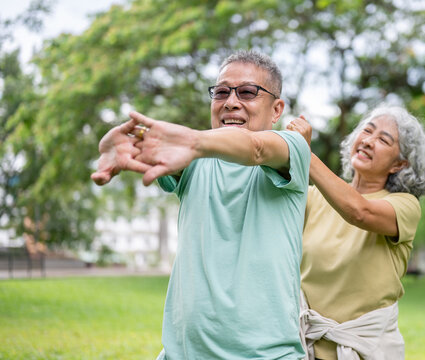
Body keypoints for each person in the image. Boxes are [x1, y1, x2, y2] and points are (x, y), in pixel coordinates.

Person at [91, 50, 310, 359]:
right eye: (221, 92)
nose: (231, 101)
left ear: (276, 109)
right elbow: (162, 153)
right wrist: (132, 145)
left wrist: (192, 142)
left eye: (247, 92)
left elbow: (258, 148)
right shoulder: (196, 161)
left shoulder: (292, 148)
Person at [287, 105, 425, 360]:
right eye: (367, 131)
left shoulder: (405, 205)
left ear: (399, 164)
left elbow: (360, 212)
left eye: (383, 140)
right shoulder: (313, 198)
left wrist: (305, 155)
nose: (368, 141)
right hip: (304, 348)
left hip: (365, 351)